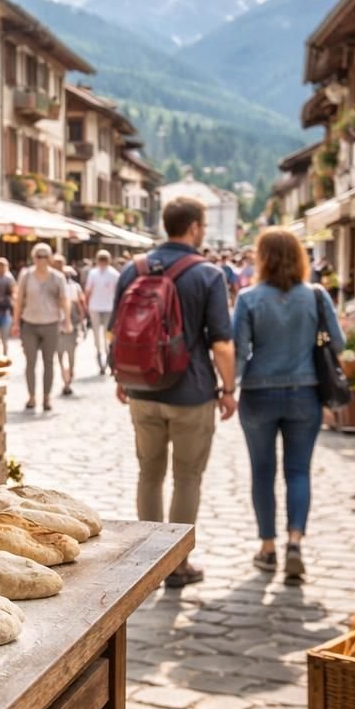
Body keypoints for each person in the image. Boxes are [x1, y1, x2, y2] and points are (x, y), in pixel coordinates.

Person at [112, 197, 237, 587]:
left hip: (142, 390)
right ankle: (177, 566)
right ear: (196, 227)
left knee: (148, 474)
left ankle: (149, 563)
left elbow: (118, 333)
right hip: (192, 392)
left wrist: (123, 377)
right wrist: (228, 389)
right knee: (187, 478)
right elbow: (221, 343)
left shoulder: (133, 269)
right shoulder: (208, 275)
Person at [232, 227, 345, 583]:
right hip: (305, 392)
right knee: (298, 471)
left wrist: (226, 387)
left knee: (262, 473)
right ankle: (295, 542)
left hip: (258, 394)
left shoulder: (248, 299)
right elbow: (338, 343)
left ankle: (267, 547)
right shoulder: (315, 295)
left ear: (261, 258)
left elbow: (237, 355)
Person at [12, 243, 72, 412]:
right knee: (30, 362)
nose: (41, 259)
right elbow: (18, 300)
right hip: (29, 323)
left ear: (50, 258)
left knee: (49, 363)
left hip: (50, 324)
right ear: (34, 258)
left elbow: (64, 300)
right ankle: (31, 396)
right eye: (38, 256)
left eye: (45, 256)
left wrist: (67, 320)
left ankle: (46, 397)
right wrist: (16, 322)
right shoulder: (26, 275)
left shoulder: (58, 277)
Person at [52, 253, 85, 396]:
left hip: (69, 325)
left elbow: (80, 304)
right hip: (59, 324)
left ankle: (68, 377)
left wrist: (82, 320)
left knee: (67, 354)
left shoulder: (74, 287)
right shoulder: (51, 283)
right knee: (62, 354)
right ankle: (67, 378)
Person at [82, 250, 119, 375]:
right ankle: (101, 361)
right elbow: (88, 290)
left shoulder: (113, 274)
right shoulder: (94, 273)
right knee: (98, 336)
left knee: (106, 336)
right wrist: (86, 305)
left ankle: (109, 360)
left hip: (108, 308)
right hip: (96, 307)